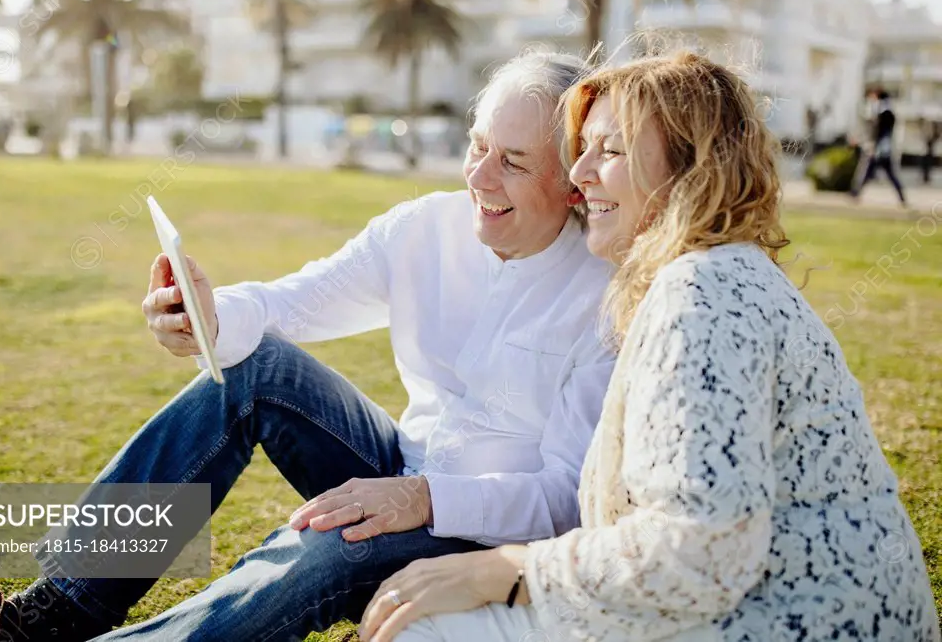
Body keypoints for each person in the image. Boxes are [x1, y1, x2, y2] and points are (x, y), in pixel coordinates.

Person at [0, 50, 619, 642]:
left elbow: (563, 498)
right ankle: (60, 606)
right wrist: (206, 318)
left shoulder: (608, 298)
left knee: (324, 546)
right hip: (398, 465)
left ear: (572, 181)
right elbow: (291, 303)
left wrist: (422, 501)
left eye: (513, 162)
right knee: (254, 366)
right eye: (477, 147)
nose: (479, 176)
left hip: (480, 534)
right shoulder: (424, 228)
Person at [355, 51, 941, 642]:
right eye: (580, 149)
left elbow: (703, 551)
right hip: (755, 613)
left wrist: (501, 570)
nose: (578, 175)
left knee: (421, 629)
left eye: (608, 150)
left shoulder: (702, 292)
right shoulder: (709, 277)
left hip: (785, 624)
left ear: (689, 168)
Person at [851, 89, 907, 206]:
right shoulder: (887, 112)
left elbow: (876, 131)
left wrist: (871, 144)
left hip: (878, 149)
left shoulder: (882, 112)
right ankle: (902, 197)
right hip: (883, 149)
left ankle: (855, 193)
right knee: (885, 174)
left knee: (867, 171)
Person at [920, 116, 940, 184]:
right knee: (926, 164)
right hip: (927, 148)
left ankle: (926, 178)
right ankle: (925, 177)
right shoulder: (929, 127)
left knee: (927, 164)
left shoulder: (932, 128)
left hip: (929, 148)